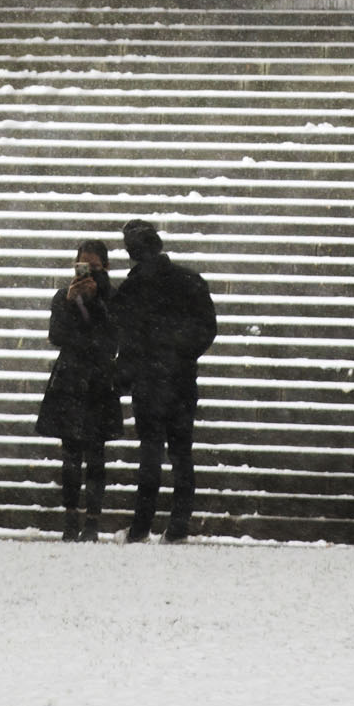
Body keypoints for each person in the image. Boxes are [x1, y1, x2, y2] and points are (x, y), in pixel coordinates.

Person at [112, 218, 216, 543]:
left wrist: (126, 375)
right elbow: (206, 329)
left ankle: (142, 526)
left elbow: (123, 337)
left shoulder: (132, 289)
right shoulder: (190, 281)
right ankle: (178, 526)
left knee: (151, 452)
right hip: (180, 379)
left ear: (132, 252)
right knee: (181, 452)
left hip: (149, 381)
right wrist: (181, 354)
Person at [35, 238, 120, 541]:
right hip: (71, 381)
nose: (89, 273)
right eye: (83, 266)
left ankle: (93, 522)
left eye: (95, 267)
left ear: (106, 267)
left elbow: (112, 339)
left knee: (96, 455)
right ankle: (71, 519)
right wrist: (72, 304)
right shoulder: (64, 296)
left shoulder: (113, 298)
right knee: (71, 455)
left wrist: (97, 302)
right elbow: (57, 335)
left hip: (98, 381)